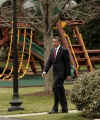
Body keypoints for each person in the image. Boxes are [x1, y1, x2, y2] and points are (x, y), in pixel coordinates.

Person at [42, 36, 71, 114]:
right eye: (53, 42)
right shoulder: (52, 51)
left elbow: (67, 63)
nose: (53, 43)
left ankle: (55, 108)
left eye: (55, 42)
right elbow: (49, 62)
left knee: (55, 87)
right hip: (55, 74)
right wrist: (45, 71)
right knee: (60, 90)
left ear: (59, 42)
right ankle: (64, 108)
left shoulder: (64, 50)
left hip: (62, 74)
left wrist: (68, 74)